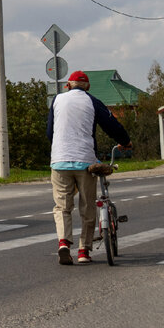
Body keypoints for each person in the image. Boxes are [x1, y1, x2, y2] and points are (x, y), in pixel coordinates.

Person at [47, 70, 131, 265]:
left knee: (62, 206)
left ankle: (63, 244)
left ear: (67, 86)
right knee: (87, 205)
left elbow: (50, 132)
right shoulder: (92, 101)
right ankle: (84, 251)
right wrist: (126, 141)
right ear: (88, 87)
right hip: (85, 161)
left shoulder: (57, 100)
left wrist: (61, 149)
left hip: (59, 161)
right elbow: (112, 125)